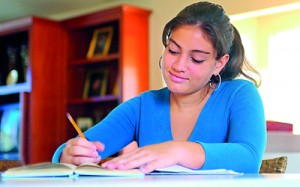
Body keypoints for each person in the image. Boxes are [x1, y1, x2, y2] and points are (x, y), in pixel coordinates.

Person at [52, 1, 266, 174]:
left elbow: (249, 158)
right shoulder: (143, 106)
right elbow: (85, 146)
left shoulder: (240, 94)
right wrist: (69, 154)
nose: (179, 66)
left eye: (197, 59)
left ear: (219, 63)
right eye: (173, 51)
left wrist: (177, 150)